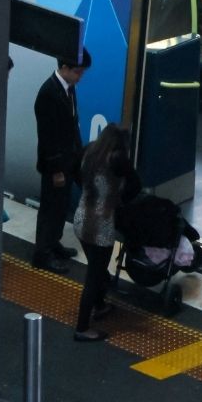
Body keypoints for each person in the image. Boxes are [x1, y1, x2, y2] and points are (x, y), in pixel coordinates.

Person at [71, 124, 137, 342]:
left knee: (96, 269)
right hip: (101, 225)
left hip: (81, 217)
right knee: (94, 275)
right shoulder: (118, 159)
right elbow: (135, 185)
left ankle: (99, 305)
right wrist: (117, 198)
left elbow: (74, 173)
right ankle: (82, 327)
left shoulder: (89, 150)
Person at [33, 48, 90, 272]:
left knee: (60, 206)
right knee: (51, 208)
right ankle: (42, 254)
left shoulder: (68, 89)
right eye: (77, 72)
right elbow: (48, 137)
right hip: (55, 165)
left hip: (69, 160)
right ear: (64, 68)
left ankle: (52, 243)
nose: (80, 77)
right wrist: (56, 170)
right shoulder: (49, 94)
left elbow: (72, 125)